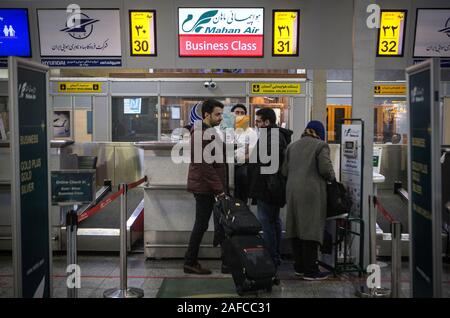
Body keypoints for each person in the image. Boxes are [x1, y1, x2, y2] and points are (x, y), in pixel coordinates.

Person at [281, 120, 335, 280]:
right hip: (311, 193)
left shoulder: (292, 146)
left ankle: (299, 267)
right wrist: (332, 177)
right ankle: (311, 271)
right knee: (310, 230)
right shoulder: (320, 146)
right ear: (320, 133)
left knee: (296, 229)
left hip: (292, 192)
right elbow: (326, 170)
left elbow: (284, 171)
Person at [184, 99, 228, 275]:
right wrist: (220, 190)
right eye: (217, 114)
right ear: (206, 114)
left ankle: (192, 260)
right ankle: (190, 261)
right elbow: (204, 166)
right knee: (201, 224)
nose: (220, 118)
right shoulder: (200, 133)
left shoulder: (208, 131)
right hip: (205, 188)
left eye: (221, 114)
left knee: (205, 224)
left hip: (209, 186)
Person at [248, 108, 292, 267]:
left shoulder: (272, 137)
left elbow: (268, 164)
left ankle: (272, 257)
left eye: (259, 121)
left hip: (268, 188)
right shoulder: (273, 136)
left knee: (267, 224)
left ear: (267, 122)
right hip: (272, 187)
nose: (257, 124)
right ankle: (275, 255)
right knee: (273, 222)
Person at [231, 104, 257, 202]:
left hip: (242, 167)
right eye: (237, 112)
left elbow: (252, 154)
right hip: (226, 167)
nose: (240, 115)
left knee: (240, 198)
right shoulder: (225, 131)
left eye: (242, 113)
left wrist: (237, 160)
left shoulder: (251, 132)